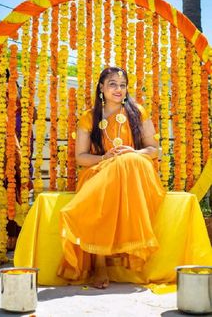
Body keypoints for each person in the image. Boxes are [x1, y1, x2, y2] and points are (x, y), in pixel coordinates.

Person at [58, 67, 166, 289]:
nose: (118, 89)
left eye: (122, 85)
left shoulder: (138, 112)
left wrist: (133, 153)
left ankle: (111, 256)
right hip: (100, 170)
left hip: (136, 171)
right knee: (112, 174)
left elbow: (155, 150)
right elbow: (81, 157)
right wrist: (105, 157)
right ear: (101, 87)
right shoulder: (89, 117)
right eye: (112, 84)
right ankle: (99, 263)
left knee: (128, 162)